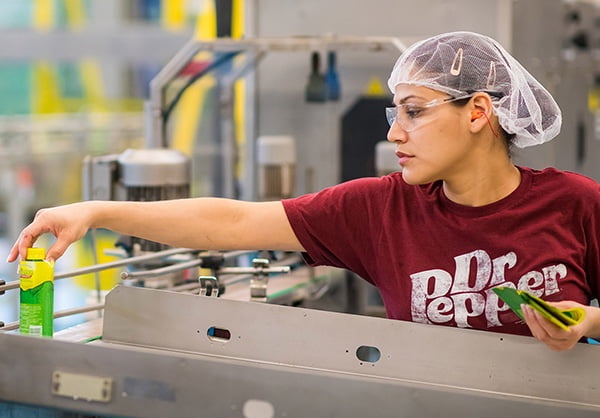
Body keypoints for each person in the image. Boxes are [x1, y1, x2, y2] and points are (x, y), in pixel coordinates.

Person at [7, 31, 600, 351]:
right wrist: (97, 211)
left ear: (477, 113)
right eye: (395, 112)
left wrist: (587, 322)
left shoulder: (574, 203)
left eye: (414, 112)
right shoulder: (380, 209)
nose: (395, 132)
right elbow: (234, 224)